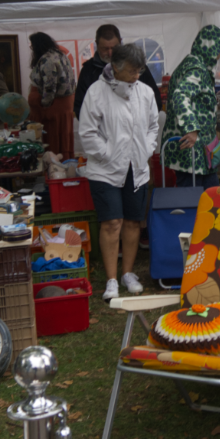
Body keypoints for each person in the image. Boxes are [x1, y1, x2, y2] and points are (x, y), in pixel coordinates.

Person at [77, 43, 159, 301]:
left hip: (137, 167)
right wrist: (107, 154)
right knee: (112, 222)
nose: (138, 76)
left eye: (140, 71)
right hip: (105, 170)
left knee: (133, 221)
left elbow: (154, 126)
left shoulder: (145, 92)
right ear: (117, 68)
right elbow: (87, 132)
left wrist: (146, 149)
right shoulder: (96, 92)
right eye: (133, 71)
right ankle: (111, 280)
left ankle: (128, 273)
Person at [161, 24, 220, 187]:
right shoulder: (196, 69)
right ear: (211, 48)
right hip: (192, 154)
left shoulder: (191, 64)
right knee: (195, 204)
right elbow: (180, 95)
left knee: (210, 200)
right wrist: (191, 128)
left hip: (200, 153)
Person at [74, 24, 161, 118]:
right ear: (97, 44)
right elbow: (80, 109)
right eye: (105, 49)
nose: (110, 53)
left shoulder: (137, 67)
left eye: (114, 48)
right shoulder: (88, 71)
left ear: (120, 42)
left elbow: (155, 101)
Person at [27, 32, 77, 158]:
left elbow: (49, 87)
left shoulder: (48, 60)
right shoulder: (60, 55)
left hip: (53, 108)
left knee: (53, 140)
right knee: (62, 136)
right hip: (63, 105)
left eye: (32, 46)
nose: (31, 49)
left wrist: (44, 107)